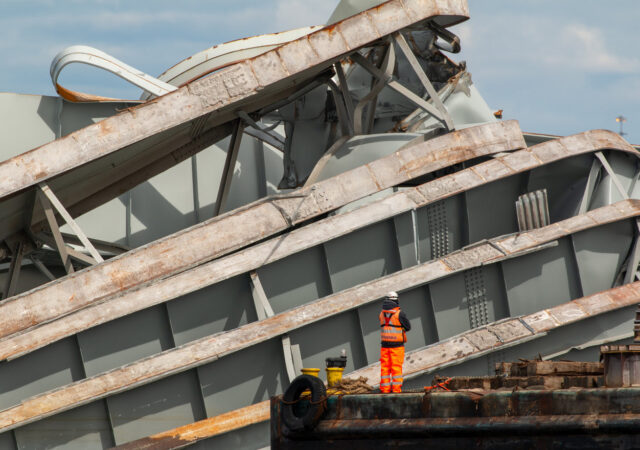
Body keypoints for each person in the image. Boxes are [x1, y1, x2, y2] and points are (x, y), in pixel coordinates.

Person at [379, 291, 411, 393]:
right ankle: (396, 390)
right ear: (396, 300)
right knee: (396, 368)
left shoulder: (381, 314)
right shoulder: (399, 313)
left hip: (384, 346)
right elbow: (408, 327)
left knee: (385, 368)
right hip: (397, 347)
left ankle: (385, 389)